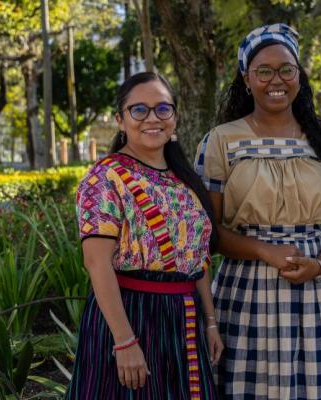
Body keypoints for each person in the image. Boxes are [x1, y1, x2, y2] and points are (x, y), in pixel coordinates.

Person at [195, 23, 321, 399]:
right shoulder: (222, 140)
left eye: (287, 69)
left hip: (317, 287)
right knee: (251, 386)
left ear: (299, 75)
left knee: (317, 387)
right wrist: (264, 250)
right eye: (264, 71)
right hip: (248, 290)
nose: (277, 80)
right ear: (246, 78)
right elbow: (208, 231)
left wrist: (319, 265)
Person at [67, 72, 223, 399]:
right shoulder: (105, 178)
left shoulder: (185, 181)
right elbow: (96, 263)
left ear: (175, 118)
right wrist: (124, 341)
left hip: (185, 317)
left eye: (162, 109)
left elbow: (197, 259)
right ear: (120, 120)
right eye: (139, 110)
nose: (152, 118)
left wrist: (210, 321)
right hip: (132, 316)